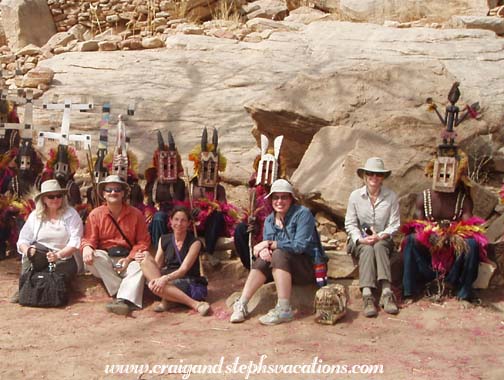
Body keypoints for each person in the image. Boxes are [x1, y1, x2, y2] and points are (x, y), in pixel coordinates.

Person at [230, 179, 322, 325]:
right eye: (276, 197)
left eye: (284, 197)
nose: (279, 201)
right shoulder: (269, 220)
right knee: (263, 259)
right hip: (283, 267)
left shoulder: (303, 214)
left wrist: (269, 244)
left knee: (279, 253)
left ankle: (284, 309)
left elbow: (299, 246)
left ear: (291, 199)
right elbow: (269, 246)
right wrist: (264, 251)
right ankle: (242, 303)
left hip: (305, 267)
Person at [401, 150, 487, 302]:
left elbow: (469, 228)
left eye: (450, 173)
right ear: (434, 172)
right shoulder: (424, 198)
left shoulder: (463, 200)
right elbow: (418, 225)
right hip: (430, 246)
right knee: (410, 240)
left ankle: (464, 292)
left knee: (472, 244)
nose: (445, 177)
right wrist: (428, 235)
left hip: (453, 249)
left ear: (457, 175)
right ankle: (410, 290)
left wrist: (452, 237)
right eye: (442, 172)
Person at [81, 175, 151, 315]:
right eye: (109, 190)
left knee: (140, 265)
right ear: (104, 194)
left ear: (123, 193)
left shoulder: (136, 214)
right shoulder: (95, 215)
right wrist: (87, 247)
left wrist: (129, 259)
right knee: (93, 257)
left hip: (126, 258)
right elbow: (90, 239)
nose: (113, 192)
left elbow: (143, 241)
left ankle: (121, 300)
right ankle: (124, 294)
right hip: (105, 259)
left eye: (117, 189)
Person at [344, 157, 400, 317]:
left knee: (379, 246)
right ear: (364, 176)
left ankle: (386, 292)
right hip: (360, 239)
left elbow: (394, 224)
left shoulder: (391, 197)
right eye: (370, 174)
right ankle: (367, 294)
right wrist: (360, 239)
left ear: (383, 177)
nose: (374, 178)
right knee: (367, 249)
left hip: (382, 238)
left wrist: (380, 236)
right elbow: (350, 223)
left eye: (378, 175)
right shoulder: (355, 196)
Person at [11, 180, 83, 303]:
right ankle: (24, 287)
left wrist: (58, 255)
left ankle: (40, 290)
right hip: (40, 254)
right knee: (30, 256)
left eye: (58, 196)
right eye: (51, 196)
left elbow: (75, 242)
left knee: (55, 275)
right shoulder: (35, 216)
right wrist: (28, 250)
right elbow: (23, 239)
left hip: (65, 257)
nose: (55, 199)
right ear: (44, 199)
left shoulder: (72, 215)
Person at [140, 205, 210, 315]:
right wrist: (146, 256)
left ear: (188, 223)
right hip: (166, 278)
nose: (179, 224)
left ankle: (192, 304)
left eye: (183, 220)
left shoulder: (195, 243)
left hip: (186, 278)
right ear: (170, 221)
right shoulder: (164, 239)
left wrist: (165, 279)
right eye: (176, 219)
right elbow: (157, 265)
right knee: (144, 259)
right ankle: (172, 299)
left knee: (160, 285)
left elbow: (184, 269)